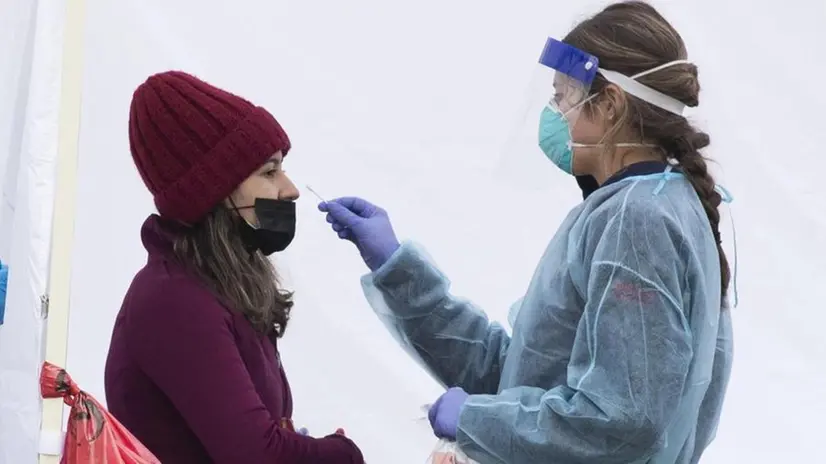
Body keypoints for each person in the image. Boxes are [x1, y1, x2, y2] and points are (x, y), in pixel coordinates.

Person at [320, 2, 733, 463]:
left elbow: (623, 421)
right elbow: (524, 377)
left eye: (565, 96)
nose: (555, 113)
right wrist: (398, 271)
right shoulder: (663, 206)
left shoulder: (636, 223)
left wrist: (474, 421)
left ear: (612, 105)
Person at [104, 70, 364, 464]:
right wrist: (342, 453)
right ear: (214, 190)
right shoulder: (173, 300)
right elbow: (257, 455)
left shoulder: (213, 288)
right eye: (269, 171)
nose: (290, 188)